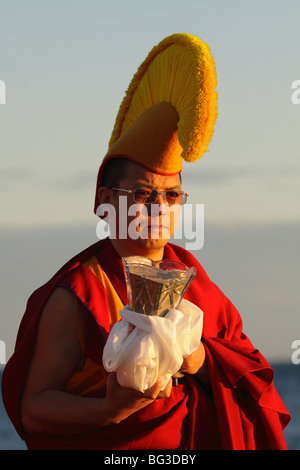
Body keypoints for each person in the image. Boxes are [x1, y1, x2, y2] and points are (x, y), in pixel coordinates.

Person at [1, 33, 290, 450]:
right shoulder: (78, 294)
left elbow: (251, 374)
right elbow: (34, 409)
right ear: (104, 202)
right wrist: (110, 409)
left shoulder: (192, 278)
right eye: (142, 194)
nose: (159, 208)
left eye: (172, 195)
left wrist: (201, 361)